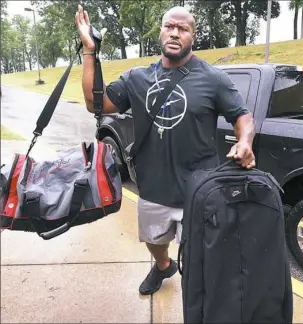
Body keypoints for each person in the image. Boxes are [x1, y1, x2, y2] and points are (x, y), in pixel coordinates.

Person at [75, 5, 256, 295]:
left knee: (199, 261)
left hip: (199, 190)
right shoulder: (136, 79)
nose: (174, 32)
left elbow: (242, 115)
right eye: (169, 26)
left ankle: (198, 300)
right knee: (154, 240)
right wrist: (89, 50)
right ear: (160, 31)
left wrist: (244, 141)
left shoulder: (212, 78)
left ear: (193, 36)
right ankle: (162, 266)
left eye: (183, 28)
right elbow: (95, 104)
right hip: (153, 186)